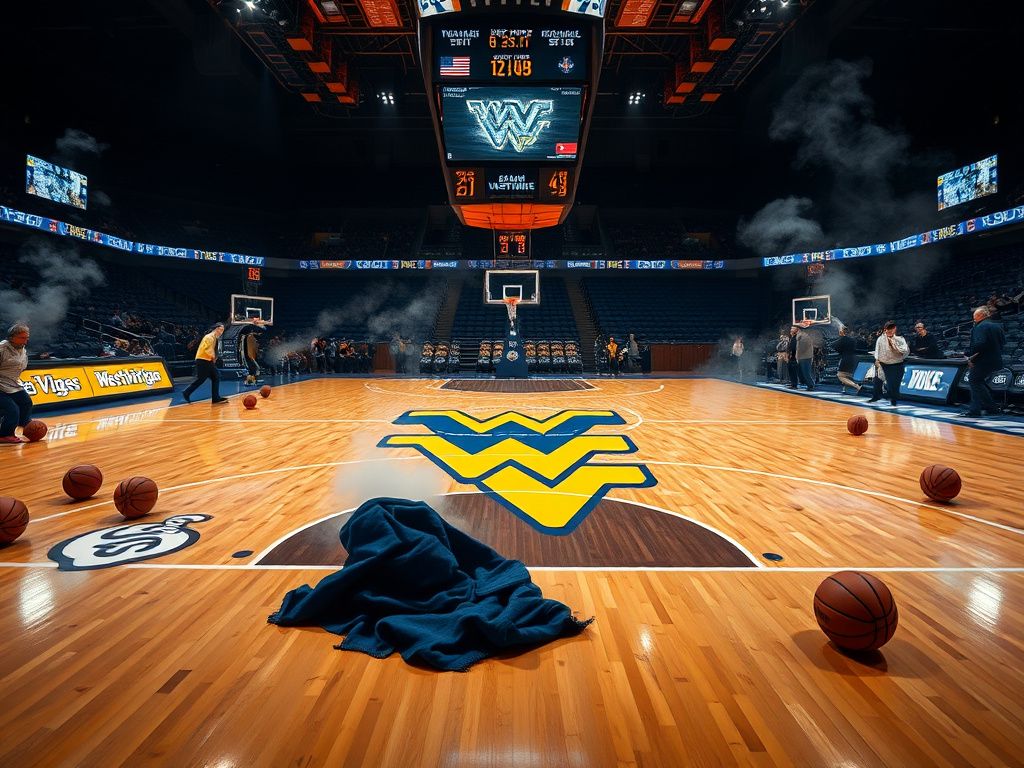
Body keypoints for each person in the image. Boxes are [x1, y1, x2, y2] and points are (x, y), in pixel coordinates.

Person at [958, 305, 1006, 417]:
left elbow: (979, 345)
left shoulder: (979, 327)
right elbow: (1003, 343)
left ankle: (975, 411)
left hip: (982, 360)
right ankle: (992, 408)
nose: (973, 317)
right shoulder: (997, 326)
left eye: (975, 315)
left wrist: (970, 357)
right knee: (978, 381)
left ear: (980, 315)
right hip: (996, 360)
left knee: (974, 381)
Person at [0, 324, 34, 444]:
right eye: (22, 338)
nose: (25, 341)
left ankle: (26, 426)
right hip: (0, 386)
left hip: (13, 384)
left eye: (27, 338)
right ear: (12, 337)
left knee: (26, 402)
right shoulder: (2, 349)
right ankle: (4, 434)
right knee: (12, 410)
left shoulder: (22, 349)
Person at [182, 323, 227, 404]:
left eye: (223, 330)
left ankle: (215, 398)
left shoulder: (213, 338)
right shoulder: (209, 337)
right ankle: (186, 392)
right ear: (216, 329)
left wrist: (214, 357)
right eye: (221, 330)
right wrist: (213, 357)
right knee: (203, 379)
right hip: (203, 360)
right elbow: (207, 349)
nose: (221, 332)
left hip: (206, 360)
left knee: (215, 377)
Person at [868, 321, 909, 406]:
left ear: (895, 329)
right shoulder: (880, 339)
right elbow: (877, 350)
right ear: (885, 330)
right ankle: (876, 396)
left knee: (893, 385)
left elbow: (905, 351)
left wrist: (894, 346)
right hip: (884, 364)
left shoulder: (900, 339)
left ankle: (893, 399)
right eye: (888, 329)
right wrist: (877, 359)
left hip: (897, 364)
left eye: (892, 328)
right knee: (877, 380)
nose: (890, 330)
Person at [834, 326, 862, 395]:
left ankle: (857, 386)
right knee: (847, 376)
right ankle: (845, 389)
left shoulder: (842, 339)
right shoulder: (853, 340)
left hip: (846, 359)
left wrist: (841, 337)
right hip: (853, 358)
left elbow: (836, 347)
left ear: (842, 332)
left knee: (840, 375)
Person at [795, 325, 818, 391]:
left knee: (806, 373)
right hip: (803, 357)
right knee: (804, 372)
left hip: (805, 357)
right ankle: (809, 385)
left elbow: (801, 348)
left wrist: (797, 356)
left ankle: (811, 385)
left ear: (799, 329)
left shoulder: (804, 336)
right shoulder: (802, 336)